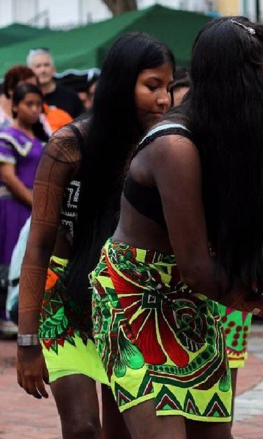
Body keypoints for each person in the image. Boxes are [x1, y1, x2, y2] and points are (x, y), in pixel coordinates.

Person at [88, 19, 263, 439]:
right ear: (240, 77)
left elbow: (258, 232)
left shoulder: (230, 137)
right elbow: (196, 265)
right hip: (134, 295)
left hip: (193, 296)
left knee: (213, 434)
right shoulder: (174, 145)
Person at [16, 33, 174, 439]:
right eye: (152, 86)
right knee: (84, 427)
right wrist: (27, 340)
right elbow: (38, 245)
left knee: (121, 433)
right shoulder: (69, 144)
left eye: (169, 88)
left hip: (123, 298)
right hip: (63, 296)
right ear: (122, 84)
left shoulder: (161, 148)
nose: (164, 100)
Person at [0, 84, 47, 266]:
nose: (35, 109)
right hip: (14, 206)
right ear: (15, 106)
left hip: (32, 207)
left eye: (38, 104)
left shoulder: (39, 139)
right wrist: (36, 205)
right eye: (29, 104)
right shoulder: (7, 137)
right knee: (13, 263)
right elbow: (8, 178)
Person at [27, 48, 84, 119]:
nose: (43, 70)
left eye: (46, 65)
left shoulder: (70, 97)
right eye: (38, 66)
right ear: (30, 71)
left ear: (53, 69)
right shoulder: (26, 99)